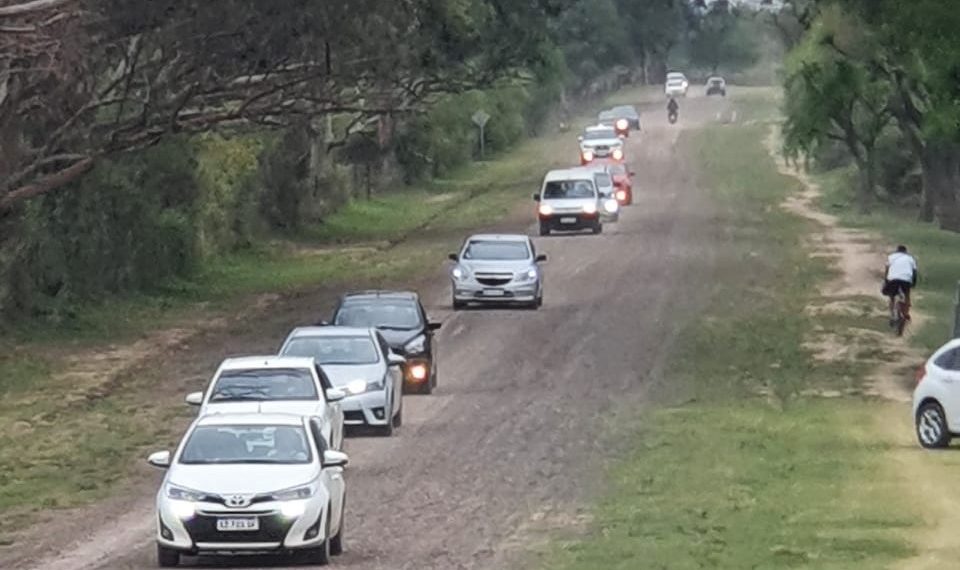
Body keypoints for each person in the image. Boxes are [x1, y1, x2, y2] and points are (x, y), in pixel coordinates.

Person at [882, 245, 918, 324]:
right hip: (906, 280)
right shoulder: (910, 258)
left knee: (892, 297)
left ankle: (892, 315)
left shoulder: (891, 257)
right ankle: (906, 313)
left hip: (893, 279)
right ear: (905, 251)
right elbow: (914, 272)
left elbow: (887, 269)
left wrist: (886, 280)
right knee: (907, 295)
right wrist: (914, 283)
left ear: (897, 250)